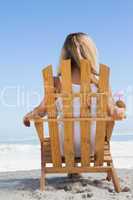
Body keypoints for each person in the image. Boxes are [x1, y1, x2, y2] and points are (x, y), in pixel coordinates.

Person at [23, 32, 126, 175]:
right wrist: (121, 108)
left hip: (63, 148)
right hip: (93, 146)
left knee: (63, 132)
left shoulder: (56, 82)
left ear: (64, 55)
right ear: (91, 53)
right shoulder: (100, 81)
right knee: (96, 130)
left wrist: (28, 116)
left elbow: (41, 111)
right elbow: (114, 113)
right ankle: (79, 166)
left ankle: (72, 166)